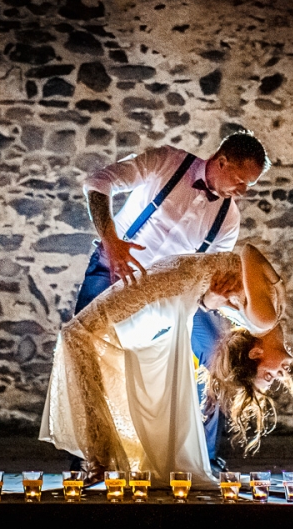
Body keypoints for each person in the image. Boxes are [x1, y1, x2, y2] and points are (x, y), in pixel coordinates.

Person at [73, 130, 271, 460]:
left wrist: (211, 299)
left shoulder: (228, 220)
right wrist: (110, 239)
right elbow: (97, 183)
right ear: (220, 162)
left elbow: (206, 281)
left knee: (215, 353)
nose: (244, 191)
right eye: (240, 180)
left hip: (171, 299)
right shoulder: (166, 161)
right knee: (83, 352)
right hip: (113, 272)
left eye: (249, 184)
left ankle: (201, 457)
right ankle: (87, 459)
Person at [40, 244, 293, 488]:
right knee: (81, 337)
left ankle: (101, 459)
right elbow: (247, 251)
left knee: (79, 336)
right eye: (270, 377)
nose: (281, 374)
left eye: (269, 375)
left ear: (257, 351)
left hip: (170, 287)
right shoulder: (266, 318)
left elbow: (240, 263)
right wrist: (279, 288)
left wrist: (210, 301)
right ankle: (102, 459)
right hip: (172, 280)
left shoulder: (262, 320)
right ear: (256, 351)